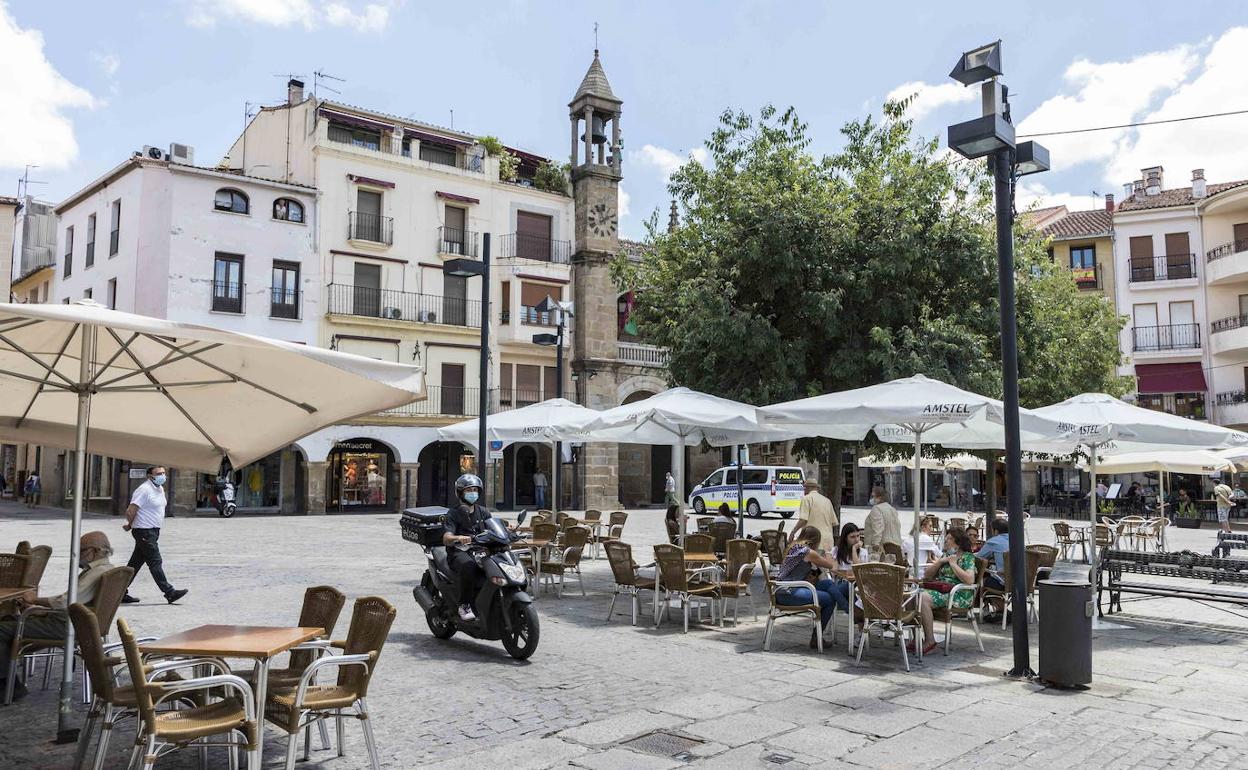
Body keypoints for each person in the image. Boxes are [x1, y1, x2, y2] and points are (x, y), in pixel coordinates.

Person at [0, 531, 115, 700]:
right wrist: (42, 609)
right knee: (8, 622)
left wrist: (36, 600)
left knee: (2, 629)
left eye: (82, 550)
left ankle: (7, 685)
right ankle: (10, 678)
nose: (78, 555)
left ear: (95, 551)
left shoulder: (96, 573)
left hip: (67, 626)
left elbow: (65, 602)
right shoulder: (109, 570)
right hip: (79, 623)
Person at [442, 473, 510, 622]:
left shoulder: (483, 511)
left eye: (475, 490)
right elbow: (446, 537)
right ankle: (464, 604)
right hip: (459, 552)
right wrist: (458, 538)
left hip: (481, 550)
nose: (473, 493)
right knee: (469, 566)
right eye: (468, 490)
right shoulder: (453, 513)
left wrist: (506, 531)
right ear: (460, 493)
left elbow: (493, 528)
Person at [774, 527, 850, 648]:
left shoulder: (794, 547)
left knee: (828, 584)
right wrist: (828, 551)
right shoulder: (808, 552)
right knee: (830, 599)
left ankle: (848, 609)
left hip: (782, 590)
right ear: (816, 540)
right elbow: (831, 565)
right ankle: (817, 637)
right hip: (789, 592)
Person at [122, 466, 187, 605]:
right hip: (144, 531)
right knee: (155, 561)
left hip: (153, 531)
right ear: (149, 476)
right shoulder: (144, 490)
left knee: (135, 564)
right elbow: (131, 510)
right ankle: (169, 592)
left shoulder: (160, 489)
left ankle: (119, 592)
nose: (162, 476)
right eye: (158, 474)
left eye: (163, 473)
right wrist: (130, 524)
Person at [912, 528, 979, 656]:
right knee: (914, 595)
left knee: (923, 598)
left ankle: (930, 641)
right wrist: (940, 562)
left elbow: (970, 580)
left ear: (957, 543)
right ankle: (917, 638)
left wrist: (953, 565)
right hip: (942, 590)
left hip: (959, 594)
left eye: (948, 539)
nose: (945, 541)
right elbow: (927, 575)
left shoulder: (967, 557)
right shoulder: (945, 556)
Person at [790, 479, 839, 551]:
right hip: (828, 542)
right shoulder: (827, 500)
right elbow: (834, 522)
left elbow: (803, 520)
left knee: (811, 562)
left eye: (805, 488)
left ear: (807, 488)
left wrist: (793, 532)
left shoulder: (806, 499)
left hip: (813, 541)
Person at [863, 486, 902, 560]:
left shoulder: (877, 509)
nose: (872, 499)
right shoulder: (892, 509)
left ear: (879, 497)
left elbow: (878, 528)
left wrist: (875, 544)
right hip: (896, 545)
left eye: (873, 496)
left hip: (883, 547)